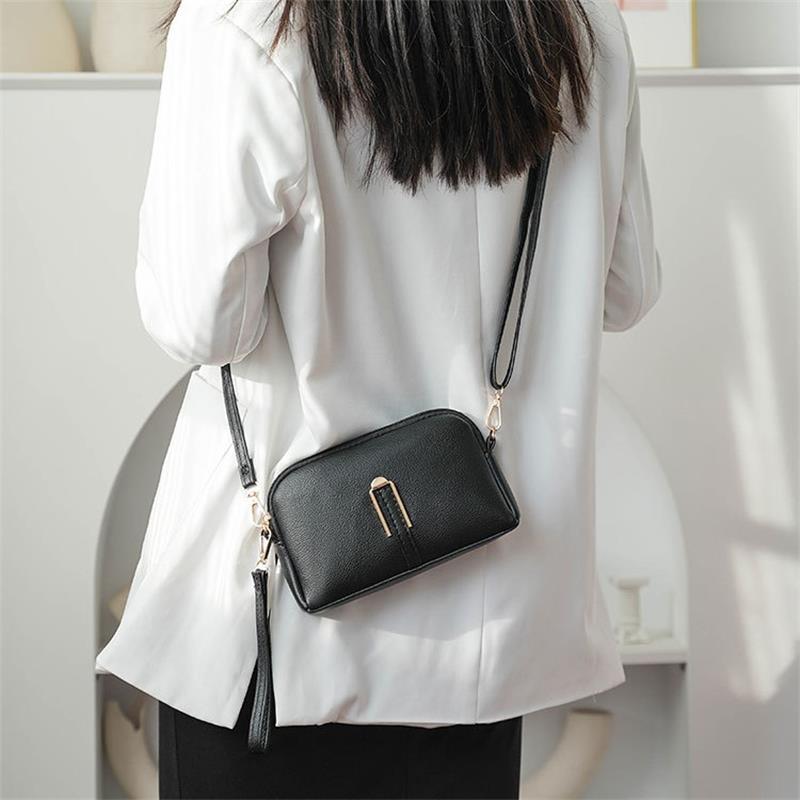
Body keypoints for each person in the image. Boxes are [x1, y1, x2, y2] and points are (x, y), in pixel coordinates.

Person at [94, 0, 663, 797]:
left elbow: (202, 323)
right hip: (481, 636)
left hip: (276, 636)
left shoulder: (246, 23)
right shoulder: (584, 27)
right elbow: (626, 289)